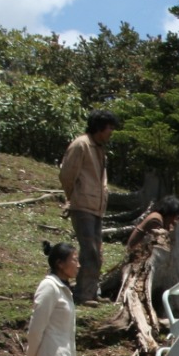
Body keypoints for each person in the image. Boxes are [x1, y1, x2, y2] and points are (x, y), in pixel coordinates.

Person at [59, 109, 119, 304]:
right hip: (83, 205)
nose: (111, 132)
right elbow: (67, 175)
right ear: (99, 128)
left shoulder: (99, 148)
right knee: (89, 251)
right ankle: (83, 294)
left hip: (96, 207)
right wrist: (74, 196)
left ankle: (91, 292)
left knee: (97, 251)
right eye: (109, 128)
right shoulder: (81, 145)